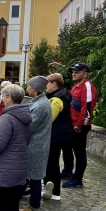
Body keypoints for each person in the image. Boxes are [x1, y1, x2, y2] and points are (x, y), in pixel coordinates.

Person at [19, 76, 52, 211]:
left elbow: (30, 127)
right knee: (33, 177)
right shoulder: (40, 102)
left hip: (35, 146)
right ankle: (32, 205)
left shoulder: (40, 106)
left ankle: (34, 208)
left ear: (36, 88)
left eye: (30, 86)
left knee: (34, 177)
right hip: (38, 145)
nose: (27, 88)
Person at [63, 63, 97, 189]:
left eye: (77, 72)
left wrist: (80, 125)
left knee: (79, 153)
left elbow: (87, 108)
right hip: (72, 124)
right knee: (66, 147)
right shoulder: (76, 86)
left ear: (85, 73)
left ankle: (77, 179)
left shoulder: (87, 87)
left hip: (80, 126)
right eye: (73, 71)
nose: (73, 73)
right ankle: (67, 171)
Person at [43, 73, 74, 201]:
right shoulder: (63, 95)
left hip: (56, 135)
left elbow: (48, 119)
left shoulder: (56, 99)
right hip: (61, 133)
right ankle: (52, 189)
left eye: (48, 83)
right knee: (53, 162)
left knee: (51, 163)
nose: (46, 86)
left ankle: (54, 191)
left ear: (54, 84)